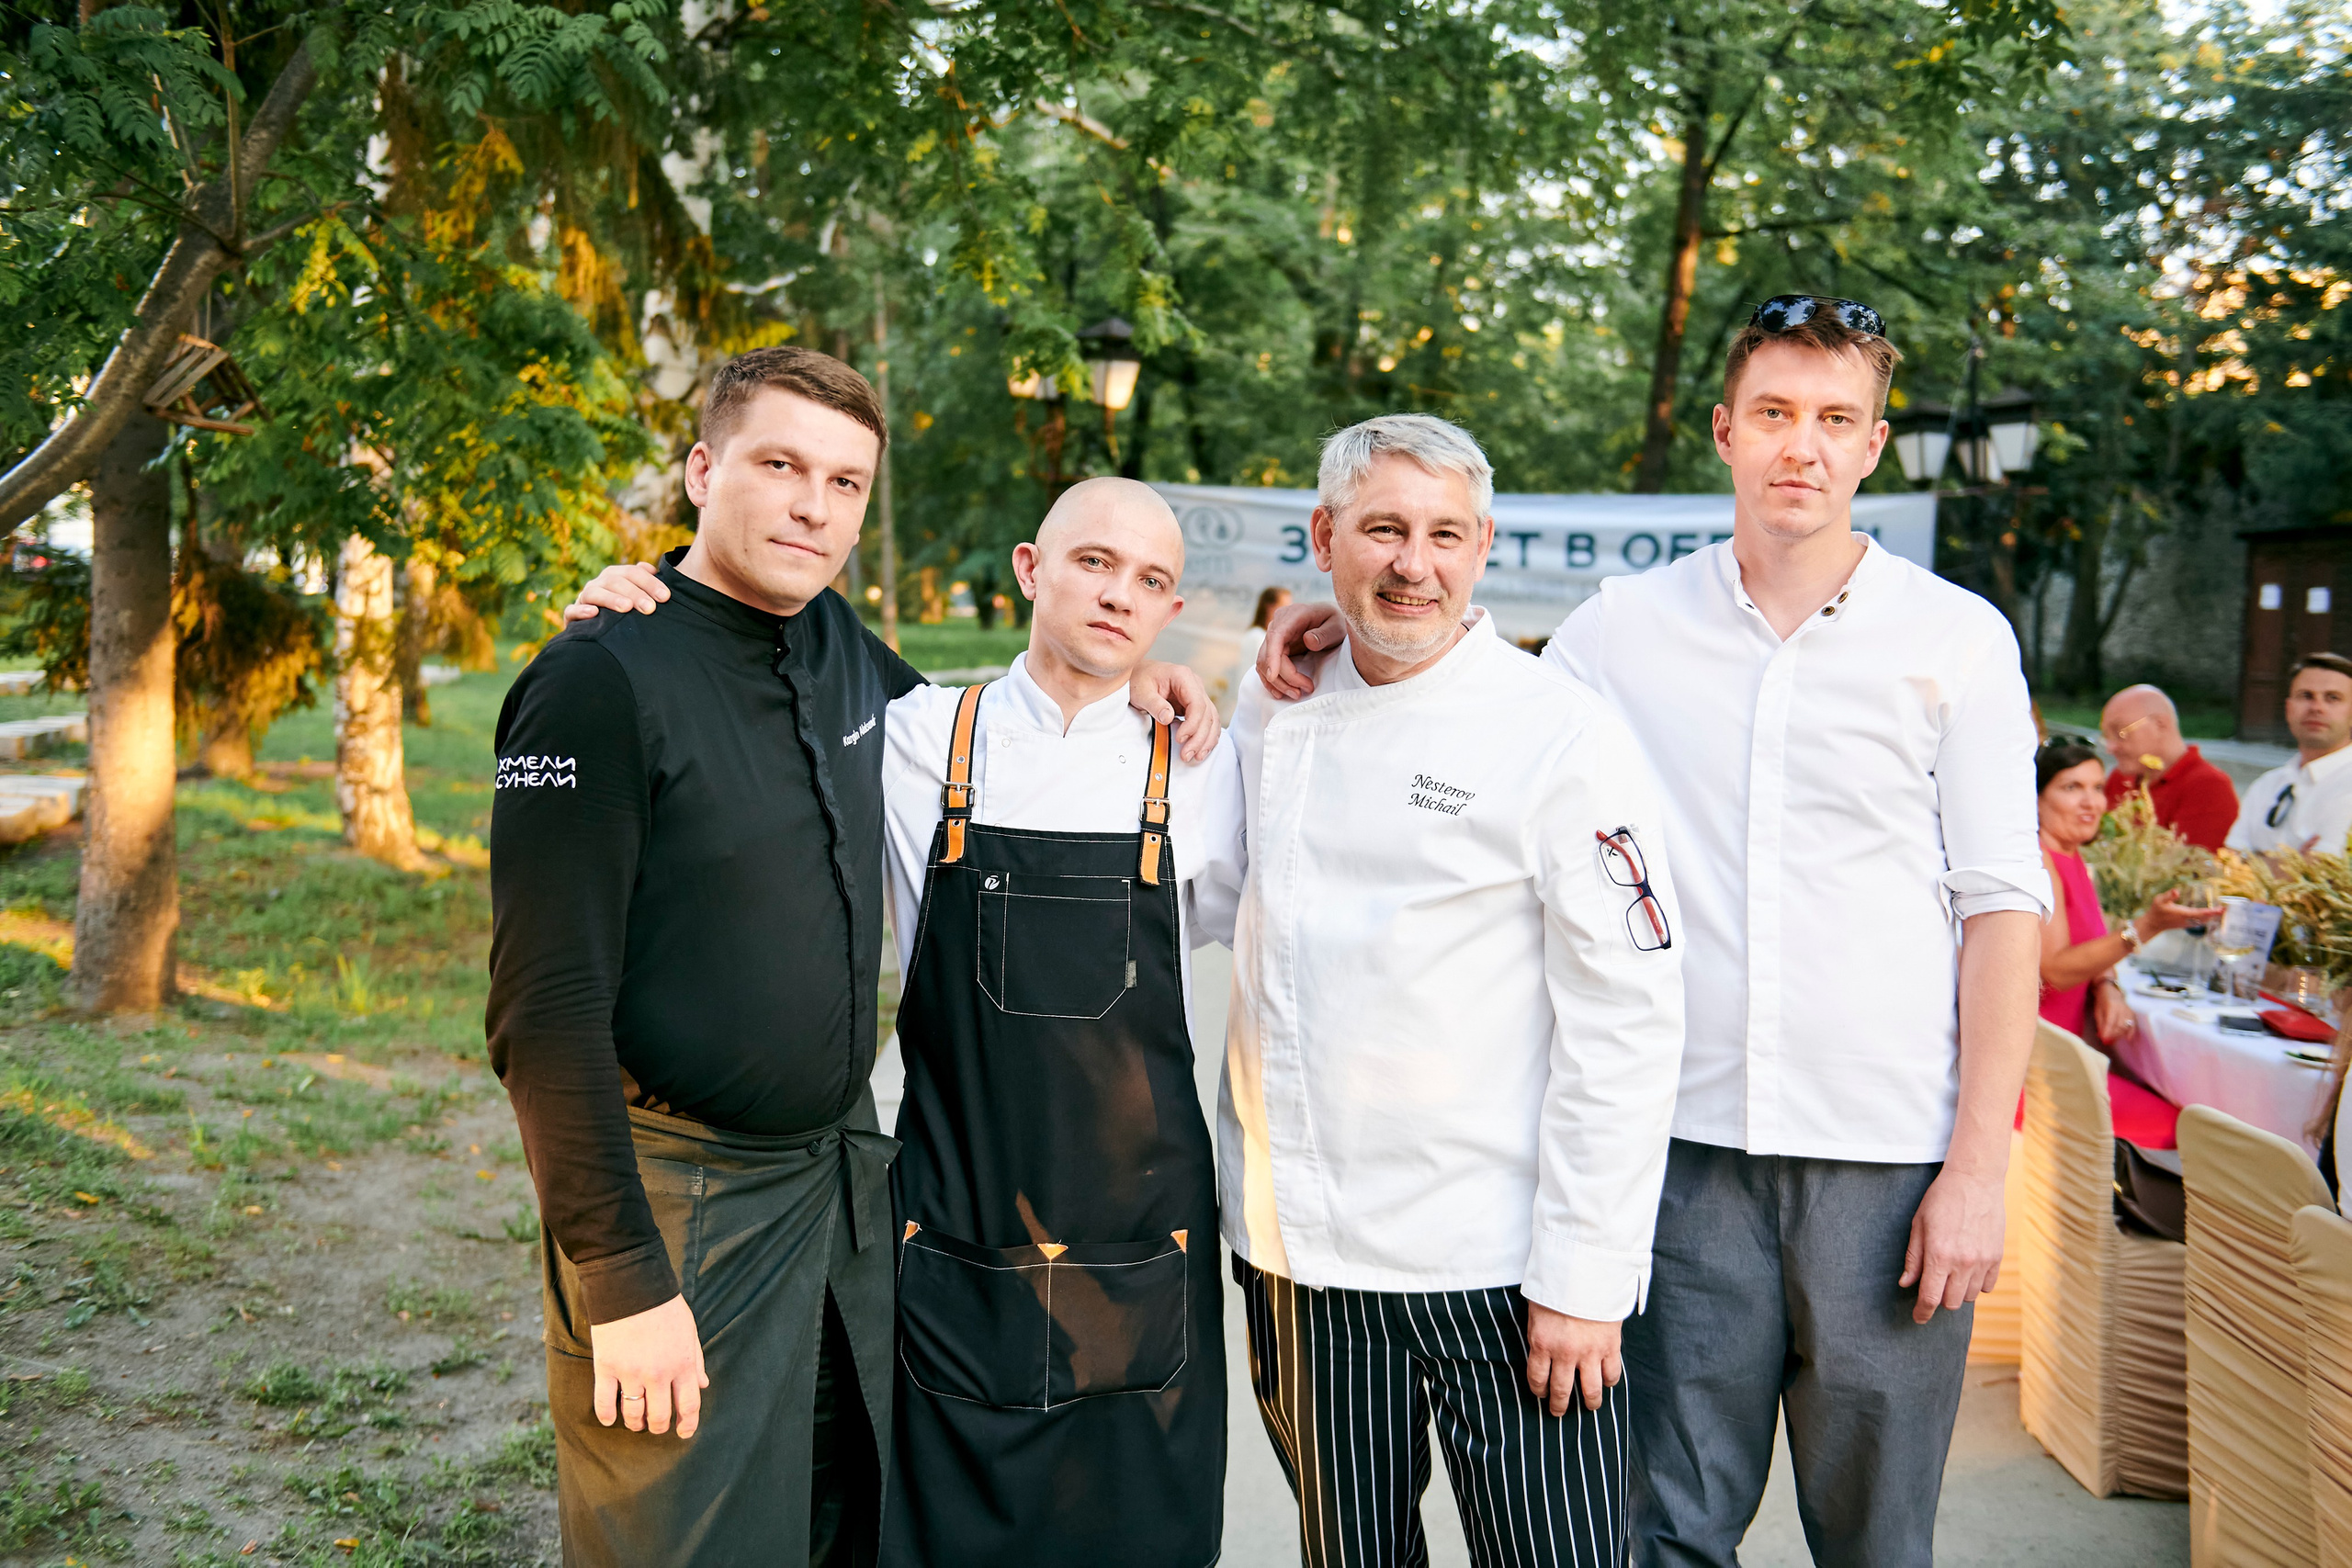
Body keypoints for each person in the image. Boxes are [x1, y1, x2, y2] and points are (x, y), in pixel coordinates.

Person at [1260, 296, 2046, 1567]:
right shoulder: (1622, 631)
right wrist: (1328, 630)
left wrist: (1978, 1168)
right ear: (1726, 432)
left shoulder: (1956, 640)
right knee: (1667, 1529)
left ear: (1873, 445)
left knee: (1879, 1538)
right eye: (1778, 413)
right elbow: (1463, 689)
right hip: (1683, 1165)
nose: (1803, 444)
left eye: (1836, 420)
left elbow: (2004, 908)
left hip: (1890, 1163)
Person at [496, 347, 1216, 1568]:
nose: (812, 504)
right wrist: (620, 1279)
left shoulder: (841, 650)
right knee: (680, 1537)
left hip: (841, 1199)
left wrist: (1130, 669)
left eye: (845, 481)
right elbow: (544, 1010)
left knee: (844, 1523)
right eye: (779, 465)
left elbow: (1012, 734)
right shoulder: (599, 678)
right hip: (686, 1197)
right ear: (702, 469)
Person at [1227, 413, 1686, 1566]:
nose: (1410, 564)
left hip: (1502, 1266)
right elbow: (1200, 883)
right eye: (1380, 529)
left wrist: (1586, 1277)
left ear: (1480, 546)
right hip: (1303, 1262)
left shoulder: (1559, 734)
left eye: (1442, 534)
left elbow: (1628, 1023)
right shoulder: (1273, 700)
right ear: (1326, 536)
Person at [2230, 652, 2352, 855]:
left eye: (2333, 698)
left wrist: (2252, 861)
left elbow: (2327, 874)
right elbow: (2228, 861)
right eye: (2306, 696)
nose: (2317, 707)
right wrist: (2296, 864)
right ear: (2288, 709)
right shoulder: (2266, 785)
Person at [2098, 683, 2237, 849]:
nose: (2111, 748)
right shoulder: (2121, 778)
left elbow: (2194, 868)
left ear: (2160, 724)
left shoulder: (2208, 786)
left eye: (2120, 733)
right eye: (2107, 737)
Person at [1234, 584, 1292, 681]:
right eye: (1285, 607)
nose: (1289, 613)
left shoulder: (1256, 634)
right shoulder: (1258, 637)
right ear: (1270, 608)